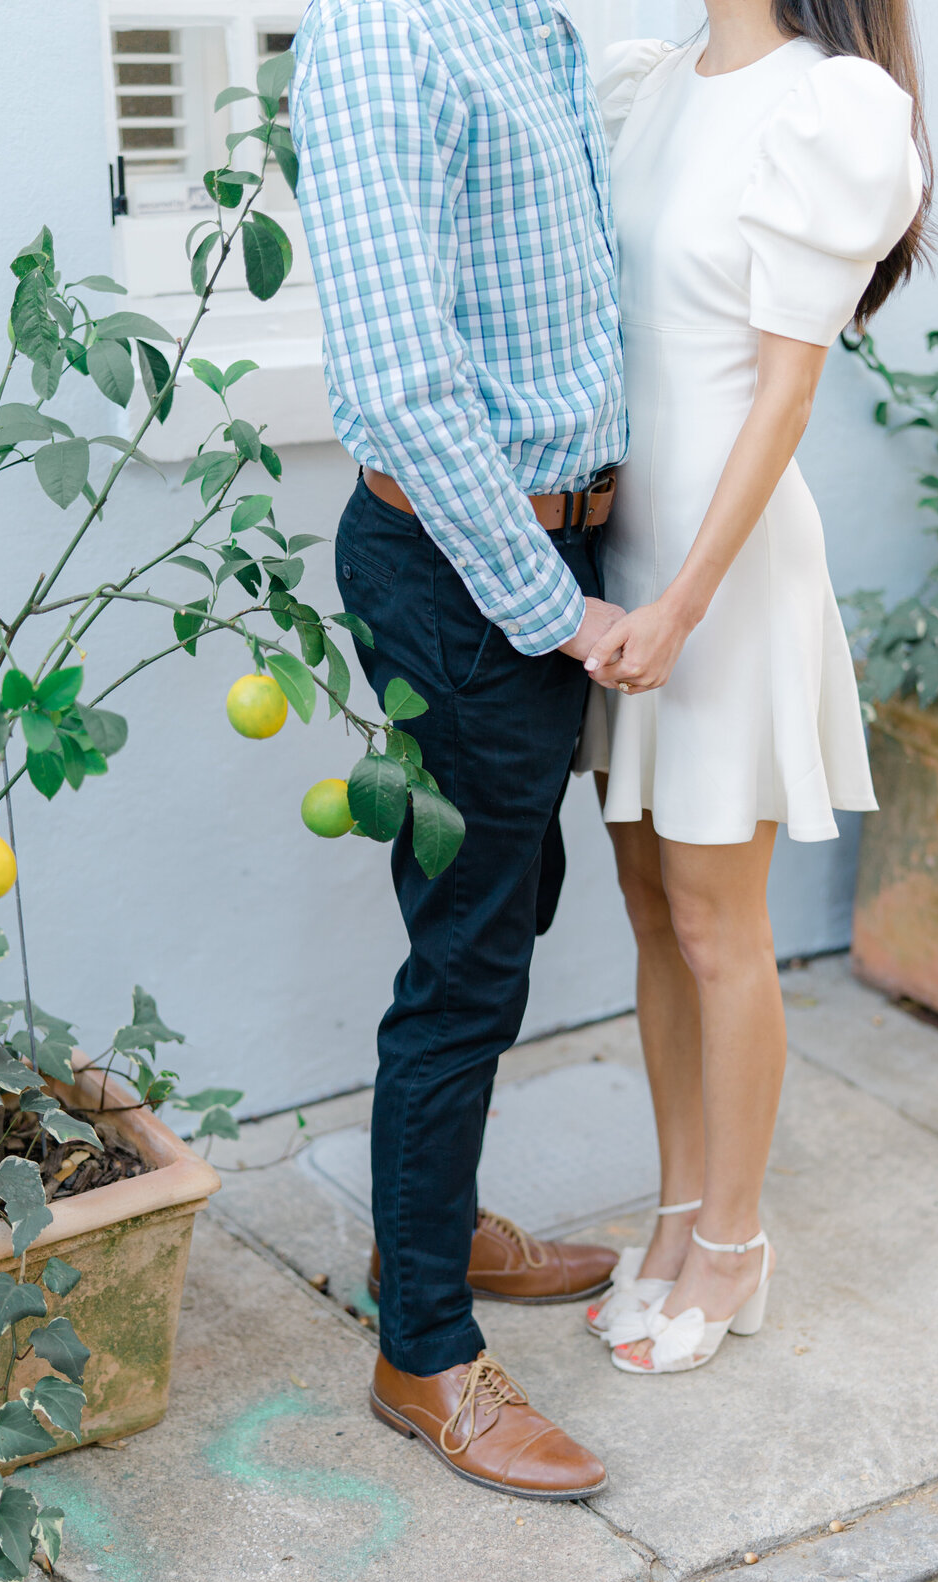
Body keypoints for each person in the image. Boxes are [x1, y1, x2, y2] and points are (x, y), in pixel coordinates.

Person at [290, 0, 629, 1497]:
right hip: (470, 574)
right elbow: (403, 382)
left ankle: (436, 1223)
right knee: (468, 961)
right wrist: (555, 607)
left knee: (508, 914)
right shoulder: (383, 33)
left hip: (538, 574)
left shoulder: (527, 24)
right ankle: (422, 1344)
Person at [577, 0, 931, 1374]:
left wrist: (682, 602)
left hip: (719, 580)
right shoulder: (651, 86)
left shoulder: (829, 106)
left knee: (720, 924)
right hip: (625, 565)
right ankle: (675, 1215)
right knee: (653, 911)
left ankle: (734, 1244)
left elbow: (784, 393)